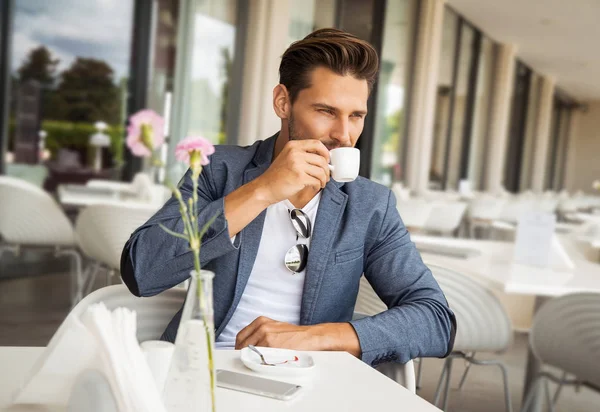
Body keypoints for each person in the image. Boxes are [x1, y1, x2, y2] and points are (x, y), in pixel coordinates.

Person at [121, 28, 455, 367]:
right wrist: (262, 190)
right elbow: (141, 272)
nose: (344, 134)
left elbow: (435, 320)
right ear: (283, 102)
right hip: (202, 371)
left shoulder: (370, 206)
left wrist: (315, 338)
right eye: (326, 111)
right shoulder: (219, 170)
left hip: (308, 383)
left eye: (356, 116)